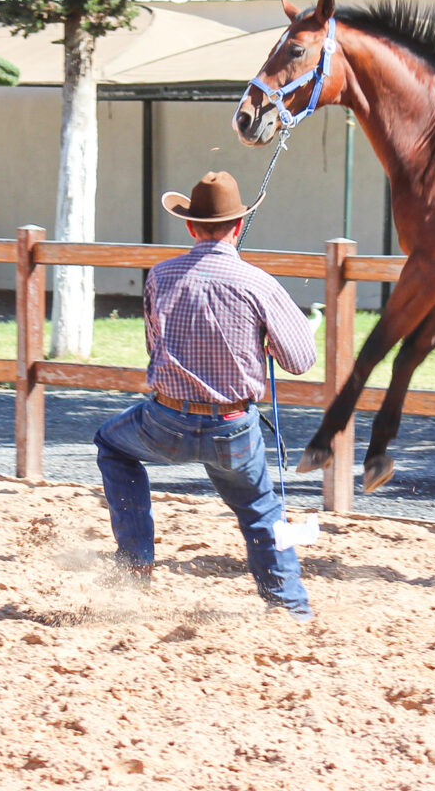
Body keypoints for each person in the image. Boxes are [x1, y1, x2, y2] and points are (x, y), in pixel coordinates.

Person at [94, 170, 317, 620]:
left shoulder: (160, 276)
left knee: (113, 446)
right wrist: (265, 344)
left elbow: (154, 346)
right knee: (260, 510)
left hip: (166, 420)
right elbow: (300, 360)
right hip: (232, 426)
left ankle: (135, 564)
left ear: (191, 227)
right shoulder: (258, 283)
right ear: (238, 226)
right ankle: (290, 608)